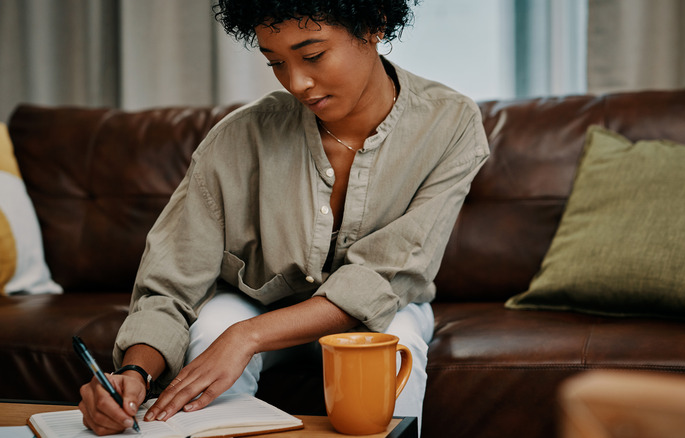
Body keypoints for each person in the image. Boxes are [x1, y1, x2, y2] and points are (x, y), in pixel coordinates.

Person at [77, 0, 489, 435]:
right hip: (258, 302)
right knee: (213, 327)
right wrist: (135, 374)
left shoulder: (451, 123)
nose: (298, 83)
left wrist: (246, 336)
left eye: (313, 56)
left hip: (385, 311)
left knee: (392, 347)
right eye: (276, 62)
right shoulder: (240, 136)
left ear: (373, 26)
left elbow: (386, 277)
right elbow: (170, 282)